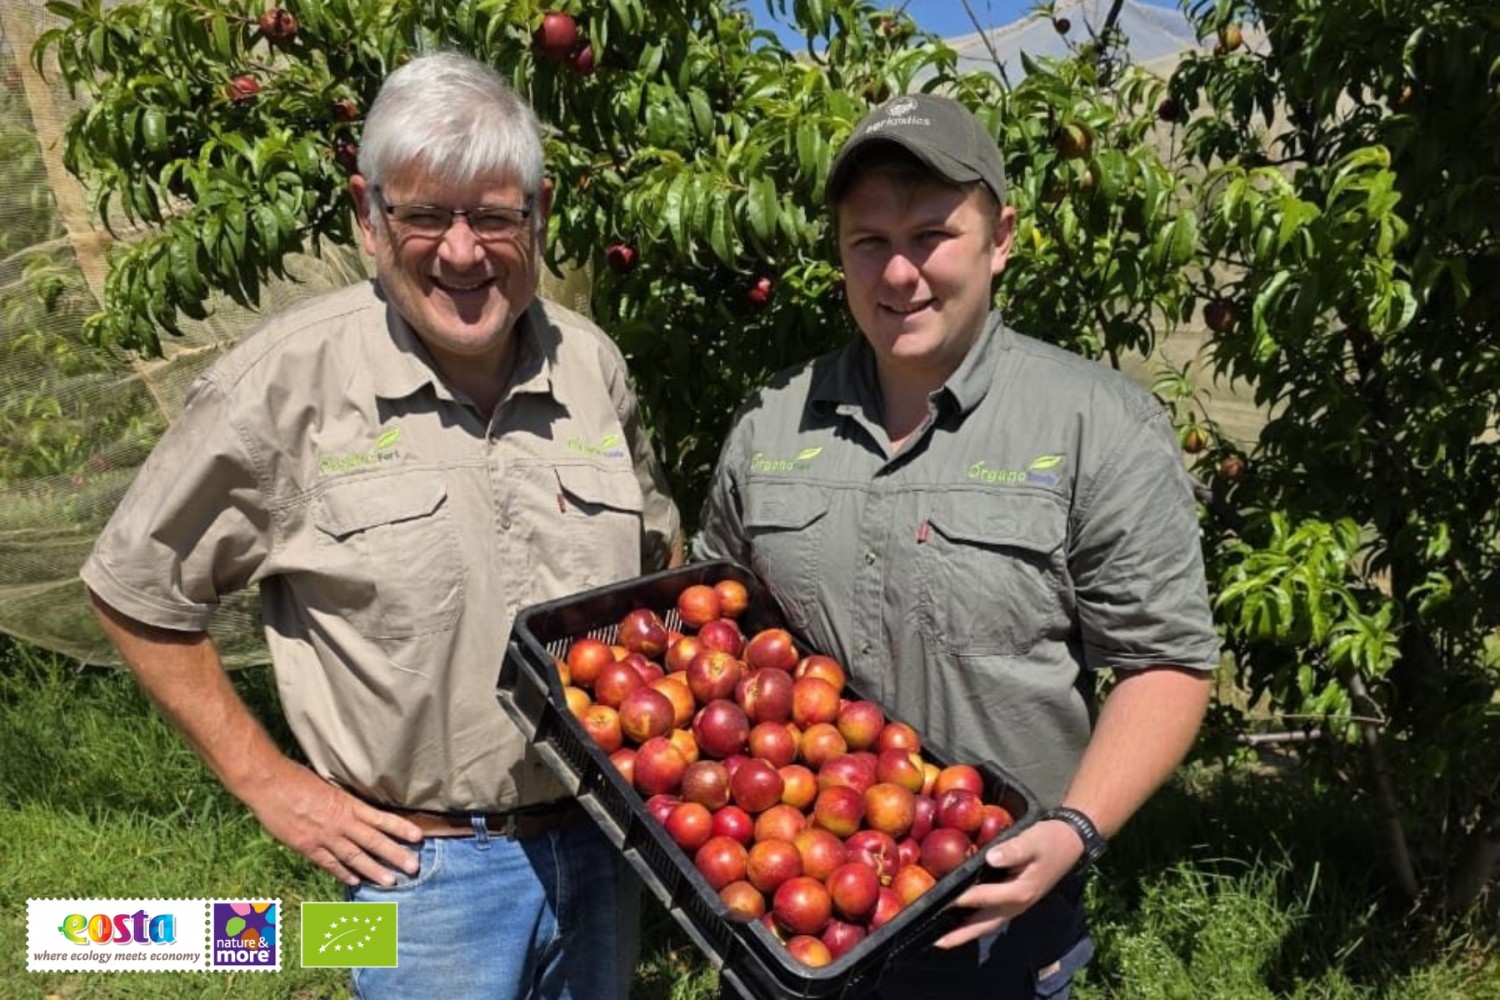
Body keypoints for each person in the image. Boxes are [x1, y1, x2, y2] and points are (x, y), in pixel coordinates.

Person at [82, 51, 681, 1000]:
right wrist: (272, 785)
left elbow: (660, 565)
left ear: (539, 214)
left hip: (603, 850)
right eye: (424, 215)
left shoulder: (591, 367)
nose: (461, 252)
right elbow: (135, 587)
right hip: (417, 875)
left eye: (493, 216)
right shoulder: (286, 383)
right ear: (369, 216)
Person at [695, 93, 1219, 998]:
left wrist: (1077, 829)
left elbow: (1165, 660)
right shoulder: (771, 422)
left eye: (932, 235)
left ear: (999, 238)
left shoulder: (1098, 424)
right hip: (788, 917)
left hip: (995, 925)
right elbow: (714, 626)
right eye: (869, 241)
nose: (900, 273)